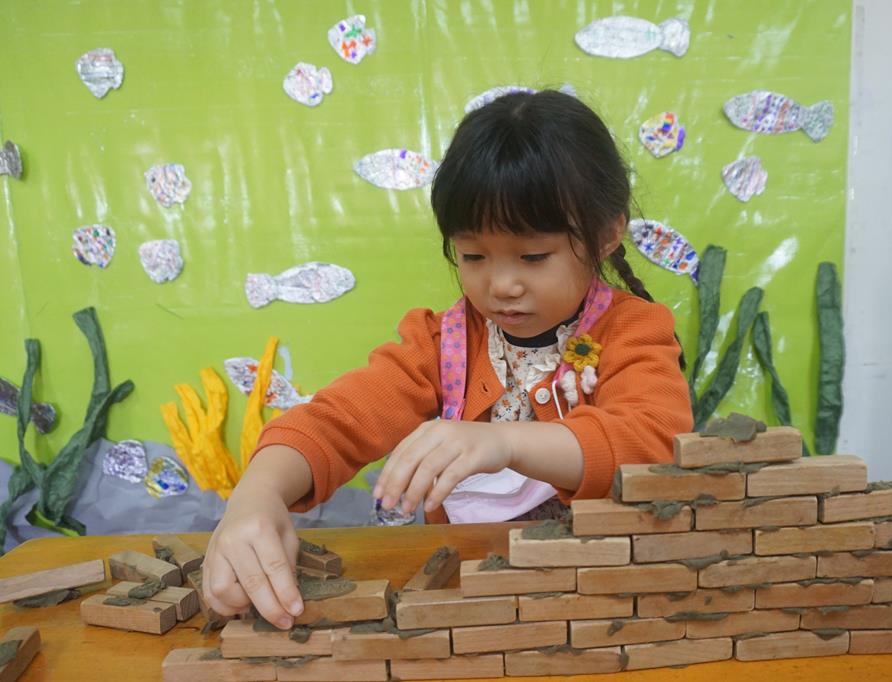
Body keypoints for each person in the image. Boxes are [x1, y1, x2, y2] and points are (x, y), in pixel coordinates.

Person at [203, 90, 693, 629]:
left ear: (605, 236)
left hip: (601, 595)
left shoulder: (634, 331)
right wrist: (257, 494)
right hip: (478, 597)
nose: (501, 285)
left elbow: (652, 444)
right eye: (473, 256)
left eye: (533, 256)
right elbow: (338, 420)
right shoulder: (444, 343)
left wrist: (504, 443)